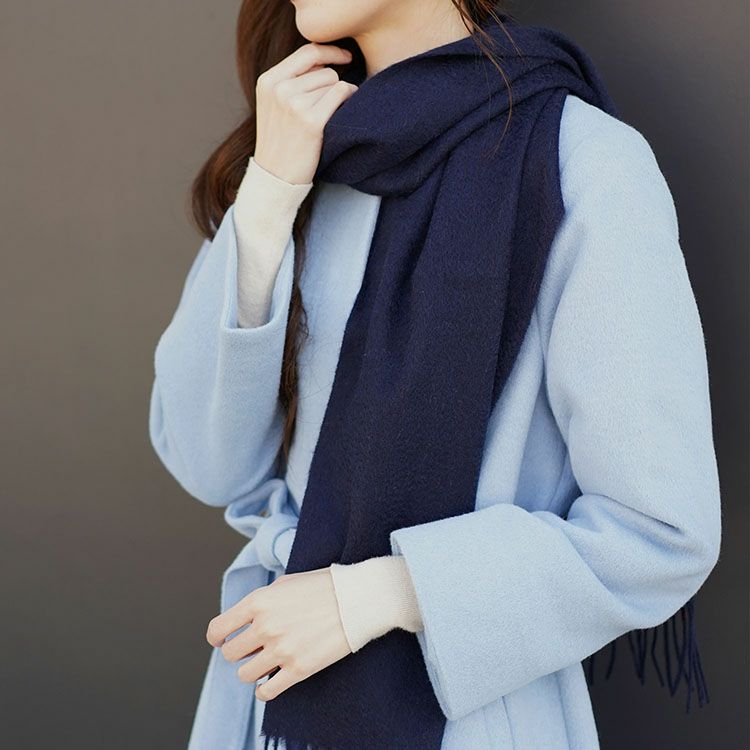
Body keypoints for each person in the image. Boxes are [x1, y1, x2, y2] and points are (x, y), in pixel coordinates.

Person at [148, 2, 722, 749]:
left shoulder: (582, 162)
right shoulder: (301, 154)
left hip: (468, 720)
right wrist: (266, 196)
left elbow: (660, 531)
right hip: (267, 694)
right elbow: (209, 463)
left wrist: (379, 594)